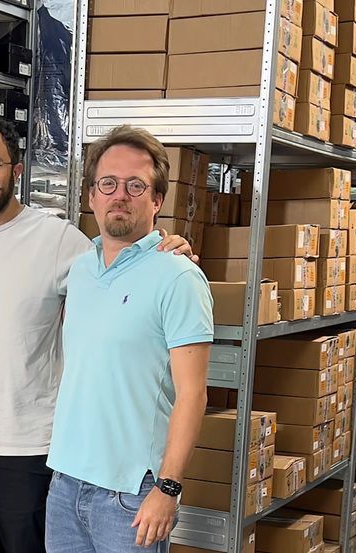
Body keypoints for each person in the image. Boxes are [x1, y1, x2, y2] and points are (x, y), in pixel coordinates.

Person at [0, 113, 197, 553]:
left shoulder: (60, 240)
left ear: (17, 170)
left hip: (28, 447)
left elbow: (123, 258)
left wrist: (169, 248)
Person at [45, 125, 213, 553]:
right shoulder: (81, 270)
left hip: (131, 495)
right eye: (108, 183)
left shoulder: (179, 276)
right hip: (65, 483)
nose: (120, 195)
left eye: (135, 185)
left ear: (157, 200)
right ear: (91, 196)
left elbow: (193, 394)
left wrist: (168, 488)